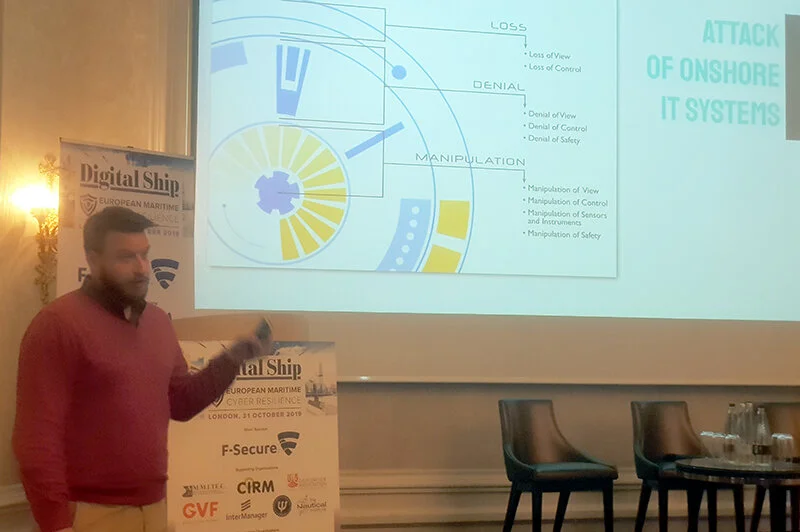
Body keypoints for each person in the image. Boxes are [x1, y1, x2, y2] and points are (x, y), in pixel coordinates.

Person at [12, 206, 270, 532]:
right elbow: (36, 438)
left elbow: (181, 402)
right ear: (92, 259)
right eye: (125, 257)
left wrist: (233, 359)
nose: (141, 268)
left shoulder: (158, 322)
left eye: (144, 255)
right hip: (89, 515)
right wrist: (56, 523)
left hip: (154, 509)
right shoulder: (57, 325)